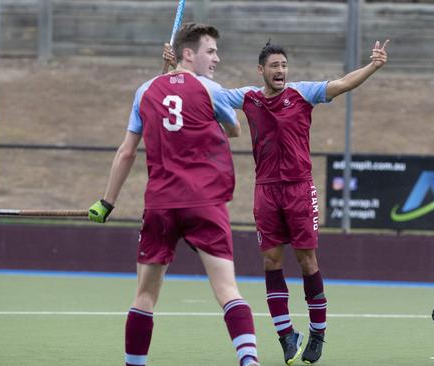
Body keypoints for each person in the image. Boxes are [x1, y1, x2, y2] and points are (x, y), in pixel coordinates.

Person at [88, 23, 259, 366]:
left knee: (145, 296)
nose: (216, 58)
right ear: (187, 53)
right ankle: (249, 360)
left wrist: (106, 202)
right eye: (210, 51)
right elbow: (235, 130)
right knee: (227, 291)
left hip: (161, 205)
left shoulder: (145, 91)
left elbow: (125, 152)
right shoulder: (210, 89)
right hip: (205, 203)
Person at [216, 40, 389, 365]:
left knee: (307, 260)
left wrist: (373, 66)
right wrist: (175, 68)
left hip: (298, 189)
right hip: (265, 190)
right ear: (261, 70)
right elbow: (209, 93)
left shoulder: (302, 93)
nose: (280, 71)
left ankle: (318, 332)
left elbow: (340, 84)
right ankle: (285, 335)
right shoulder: (248, 98)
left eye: (283, 65)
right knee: (271, 262)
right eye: (274, 66)